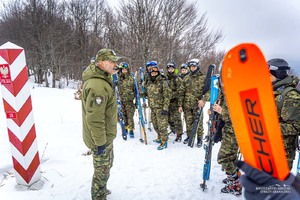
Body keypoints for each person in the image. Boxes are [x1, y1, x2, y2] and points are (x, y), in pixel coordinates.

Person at [81, 48, 121, 200]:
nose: (115, 64)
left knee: (107, 167)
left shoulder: (103, 79)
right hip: (100, 139)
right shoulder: (97, 85)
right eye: (112, 61)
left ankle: (102, 189)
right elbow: (94, 119)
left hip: (105, 136)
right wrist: (100, 144)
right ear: (101, 63)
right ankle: (98, 195)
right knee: (101, 171)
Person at [268, 58, 300, 171]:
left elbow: (295, 126)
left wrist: (270, 128)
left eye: (268, 74)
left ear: (278, 74)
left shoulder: (291, 96)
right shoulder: (273, 91)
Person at [213, 92, 242, 195]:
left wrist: (222, 111)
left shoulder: (239, 89)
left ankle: (235, 184)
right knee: (231, 157)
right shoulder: (227, 88)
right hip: (228, 128)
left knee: (223, 157)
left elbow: (241, 114)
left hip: (235, 130)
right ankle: (235, 177)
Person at [178, 59, 206, 147]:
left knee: (199, 123)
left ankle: (199, 138)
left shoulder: (202, 78)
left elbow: (208, 91)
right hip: (187, 105)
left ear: (197, 66)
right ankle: (190, 136)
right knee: (188, 122)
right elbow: (181, 92)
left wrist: (203, 100)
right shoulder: (186, 78)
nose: (192, 68)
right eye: (191, 67)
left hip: (197, 105)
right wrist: (180, 105)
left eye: (194, 66)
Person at [146, 61, 172, 150]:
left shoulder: (162, 82)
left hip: (161, 108)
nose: (153, 74)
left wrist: (165, 108)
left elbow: (167, 96)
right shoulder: (149, 82)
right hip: (153, 107)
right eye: (152, 72)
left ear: (158, 73)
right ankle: (160, 137)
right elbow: (146, 94)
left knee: (162, 126)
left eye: (155, 72)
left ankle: (164, 141)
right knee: (155, 124)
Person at [165, 61, 184, 142]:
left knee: (177, 119)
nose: (170, 70)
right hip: (167, 102)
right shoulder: (165, 78)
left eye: (172, 68)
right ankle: (173, 129)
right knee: (169, 118)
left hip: (175, 102)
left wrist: (180, 105)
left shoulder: (178, 79)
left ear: (174, 69)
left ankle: (179, 134)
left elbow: (181, 92)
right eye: (169, 68)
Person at [117, 62, 136, 138]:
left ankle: (131, 129)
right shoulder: (118, 78)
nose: (124, 71)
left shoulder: (131, 78)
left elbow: (135, 89)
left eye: (126, 70)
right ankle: (125, 127)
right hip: (121, 100)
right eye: (123, 70)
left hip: (129, 100)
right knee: (123, 114)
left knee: (130, 115)